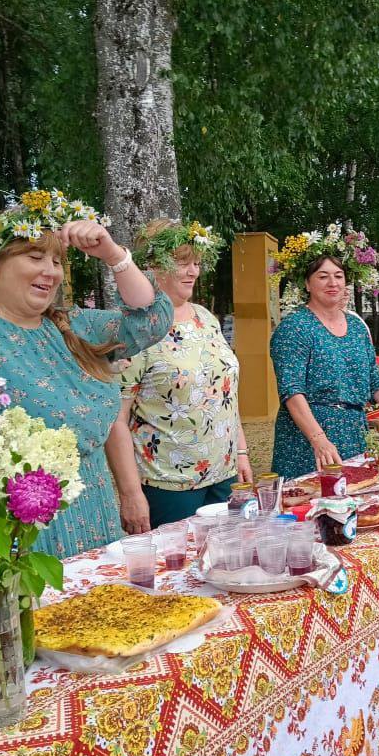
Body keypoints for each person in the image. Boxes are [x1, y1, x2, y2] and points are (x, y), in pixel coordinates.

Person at [0, 190, 172, 558]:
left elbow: (151, 319)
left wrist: (111, 253)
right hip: (19, 527)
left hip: (95, 507)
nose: (51, 271)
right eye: (35, 256)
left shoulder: (71, 327)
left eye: (57, 261)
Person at [110, 219, 251, 529]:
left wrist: (240, 452)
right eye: (183, 263)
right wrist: (130, 494)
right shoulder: (136, 330)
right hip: (169, 486)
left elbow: (225, 393)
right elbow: (115, 420)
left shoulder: (206, 318)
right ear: (153, 265)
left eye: (197, 263)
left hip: (224, 477)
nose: (193, 272)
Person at [269, 226, 379, 477]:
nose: (332, 283)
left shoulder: (355, 327)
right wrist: (318, 439)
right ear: (307, 283)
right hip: (309, 439)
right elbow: (291, 391)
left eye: (338, 276)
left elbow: (376, 383)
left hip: (354, 432)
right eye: (323, 276)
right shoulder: (294, 328)